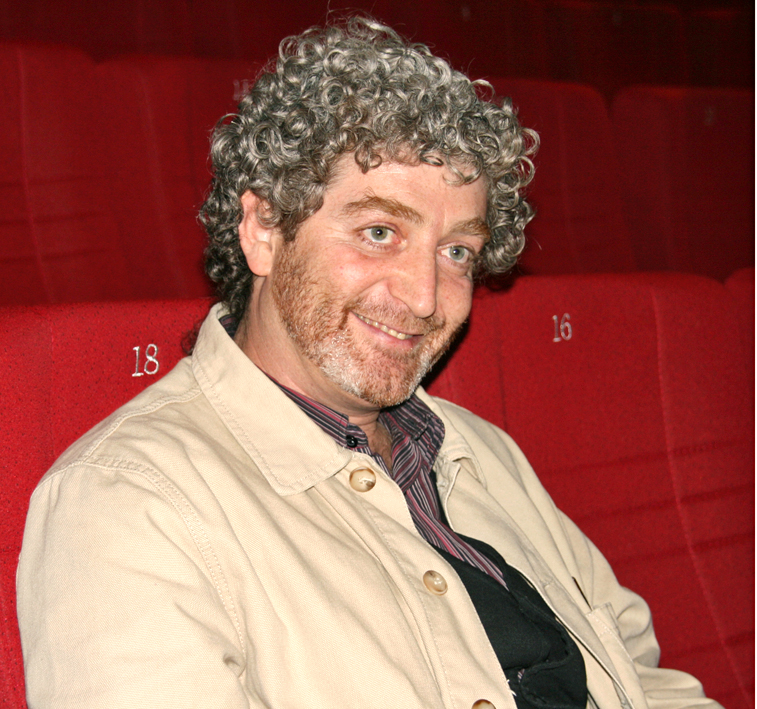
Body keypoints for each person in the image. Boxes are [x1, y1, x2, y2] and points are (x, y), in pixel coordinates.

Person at [17, 17, 719, 709]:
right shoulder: (128, 501)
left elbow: (643, 680)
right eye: (379, 232)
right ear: (264, 230)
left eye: (456, 251)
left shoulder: (482, 452)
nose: (423, 297)